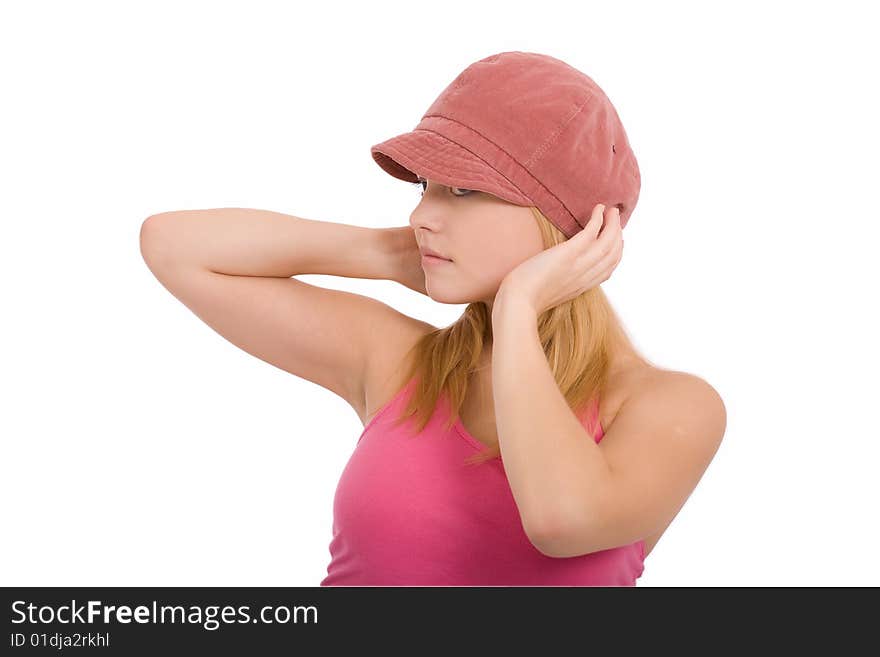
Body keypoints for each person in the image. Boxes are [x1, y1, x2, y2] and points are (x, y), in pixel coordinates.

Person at [140, 51, 726, 586]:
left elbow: (560, 519)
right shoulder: (402, 363)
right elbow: (173, 246)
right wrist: (389, 254)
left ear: (566, 226)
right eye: (426, 186)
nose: (422, 213)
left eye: (464, 191)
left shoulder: (673, 409)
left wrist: (519, 308)